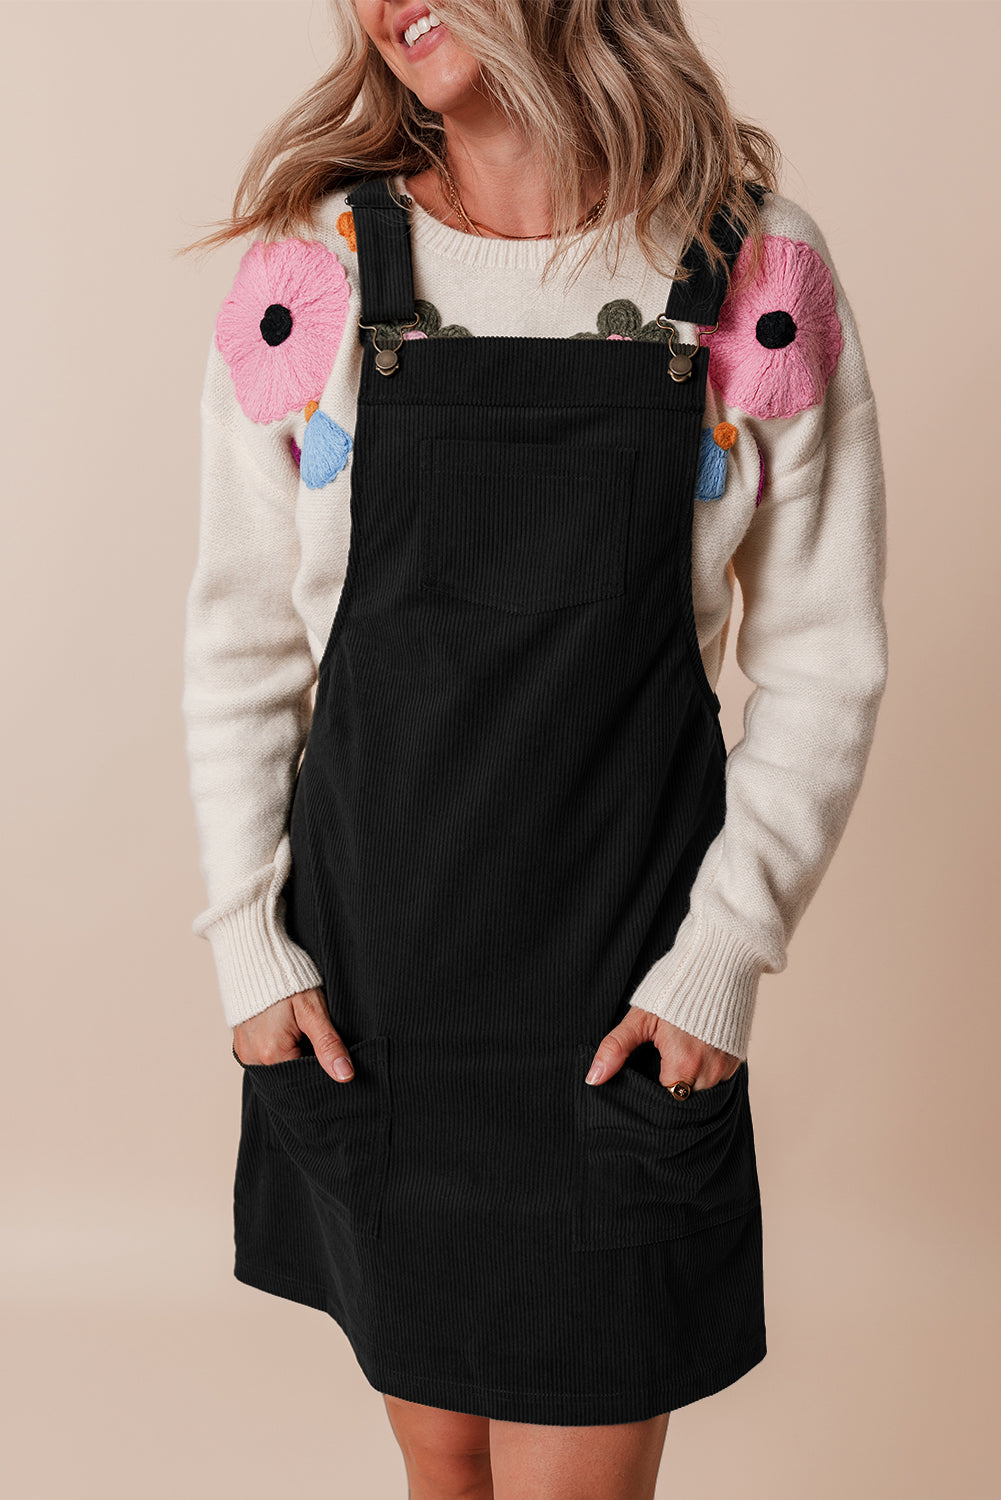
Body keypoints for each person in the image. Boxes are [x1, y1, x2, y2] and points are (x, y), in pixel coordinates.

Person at [179, 1, 889, 1495]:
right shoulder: (315, 270)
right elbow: (241, 638)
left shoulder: (754, 271)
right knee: (443, 1465)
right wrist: (250, 947)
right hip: (373, 994)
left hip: (619, 998)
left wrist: (720, 959)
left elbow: (824, 660)